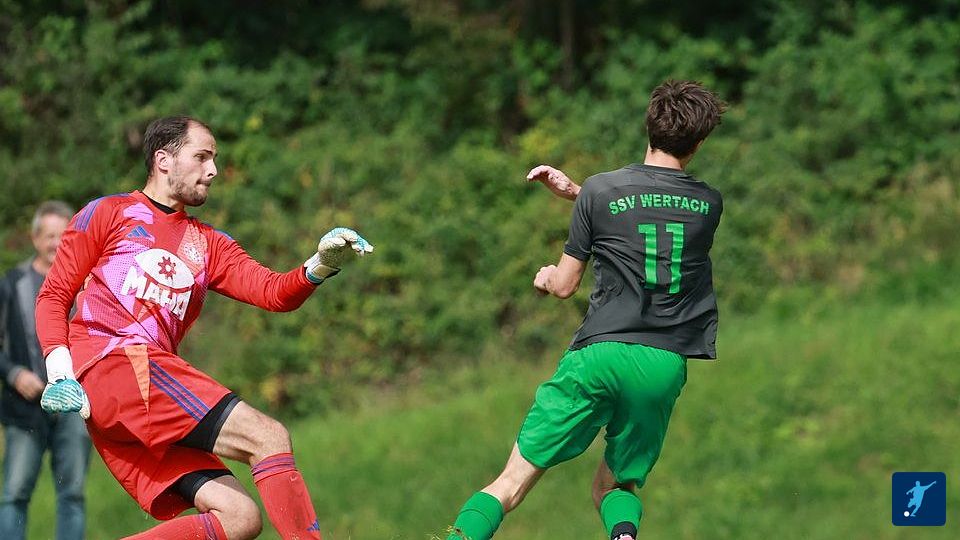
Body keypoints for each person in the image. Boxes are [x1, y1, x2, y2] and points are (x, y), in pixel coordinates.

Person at [36, 116, 373, 540]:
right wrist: (60, 372)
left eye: (214, 159)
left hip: (139, 394)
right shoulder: (108, 213)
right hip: (118, 368)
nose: (212, 170)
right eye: (202, 157)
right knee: (267, 436)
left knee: (239, 518)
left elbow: (273, 292)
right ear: (163, 160)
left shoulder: (209, 244)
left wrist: (320, 264)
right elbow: (53, 295)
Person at [445, 80, 726, 540]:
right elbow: (656, 217)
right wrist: (583, 196)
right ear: (698, 143)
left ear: (649, 126)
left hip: (600, 353)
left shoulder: (601, 190)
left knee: (509, 485)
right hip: (662, 362)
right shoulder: (709, 203)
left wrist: (544, 275)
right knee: (614, 487)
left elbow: (565, 286)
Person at [0, 201, 91, 540]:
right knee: (14, 494)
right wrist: (15, 375)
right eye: (49, 235)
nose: (56, 243)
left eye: (63, 235)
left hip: (75, 406)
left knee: (73, 494)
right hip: (23, 408)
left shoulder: (88, 284)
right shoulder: (12, 283)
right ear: (35, 238)